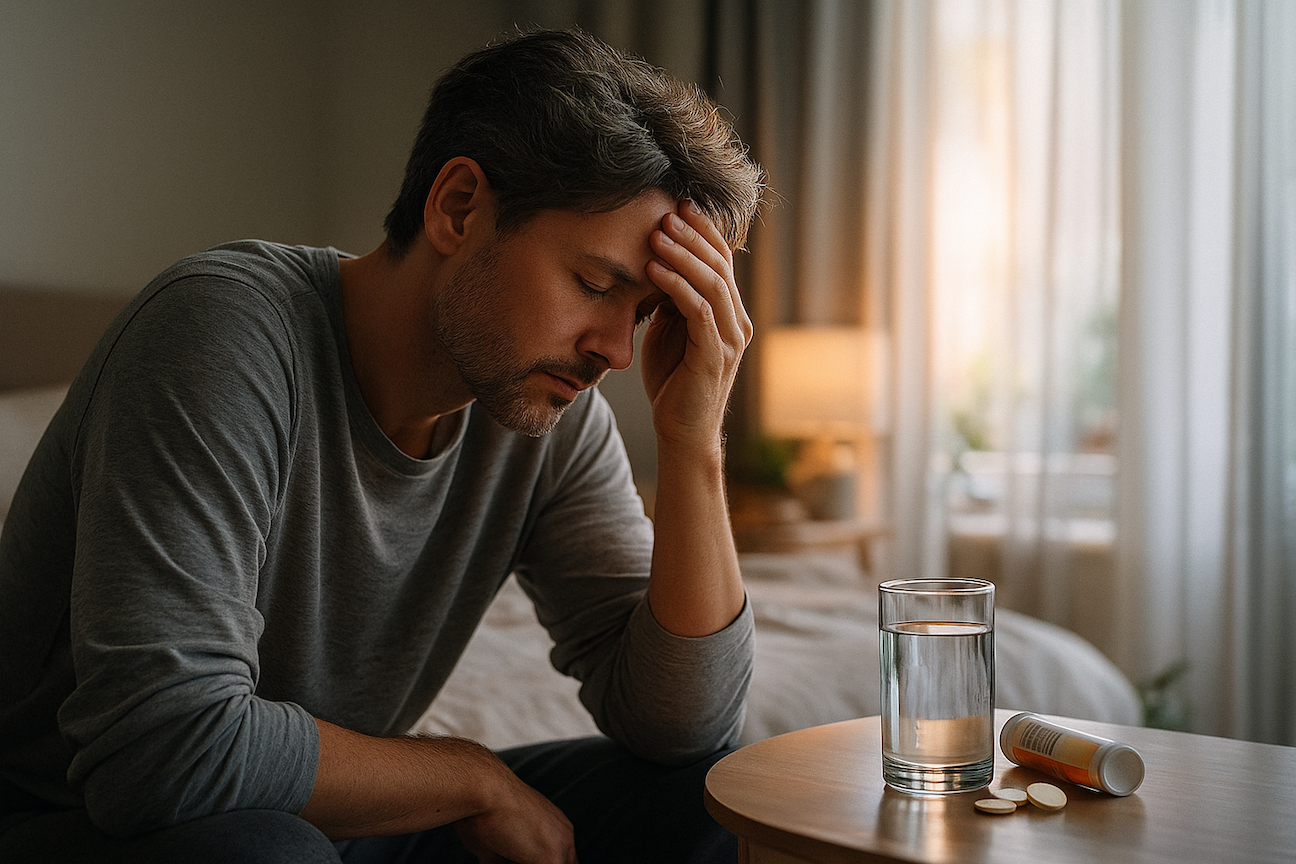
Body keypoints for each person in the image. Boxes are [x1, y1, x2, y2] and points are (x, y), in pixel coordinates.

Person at [0, 27, 764, 864]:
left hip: (330, 820)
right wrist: (470, 777)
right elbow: (158, 749)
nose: (616, 351)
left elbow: (681, 725)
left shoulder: (547, 415)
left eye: (644, 314)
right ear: (458, 208)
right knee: (265, 851)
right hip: (75, 822)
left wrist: (694, 441)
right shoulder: (221, 334)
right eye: (593, 286)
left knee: (712, 798)